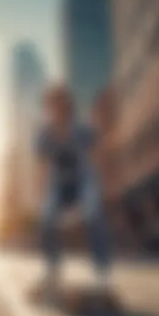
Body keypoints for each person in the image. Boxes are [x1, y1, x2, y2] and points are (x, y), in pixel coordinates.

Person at [35, 84, 113, 298]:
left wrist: (99, 188)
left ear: (67, 106)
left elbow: (99, 153)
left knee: (94, 217)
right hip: (59, 187)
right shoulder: (45, 134)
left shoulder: (82, 130)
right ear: (48, 108)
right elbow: (41, 168)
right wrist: (41, 197)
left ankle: (102, 274)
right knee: (46, 218)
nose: (56, 109)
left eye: (60, 104)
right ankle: (53, 270)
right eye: (52, 105)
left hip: (83, 182)